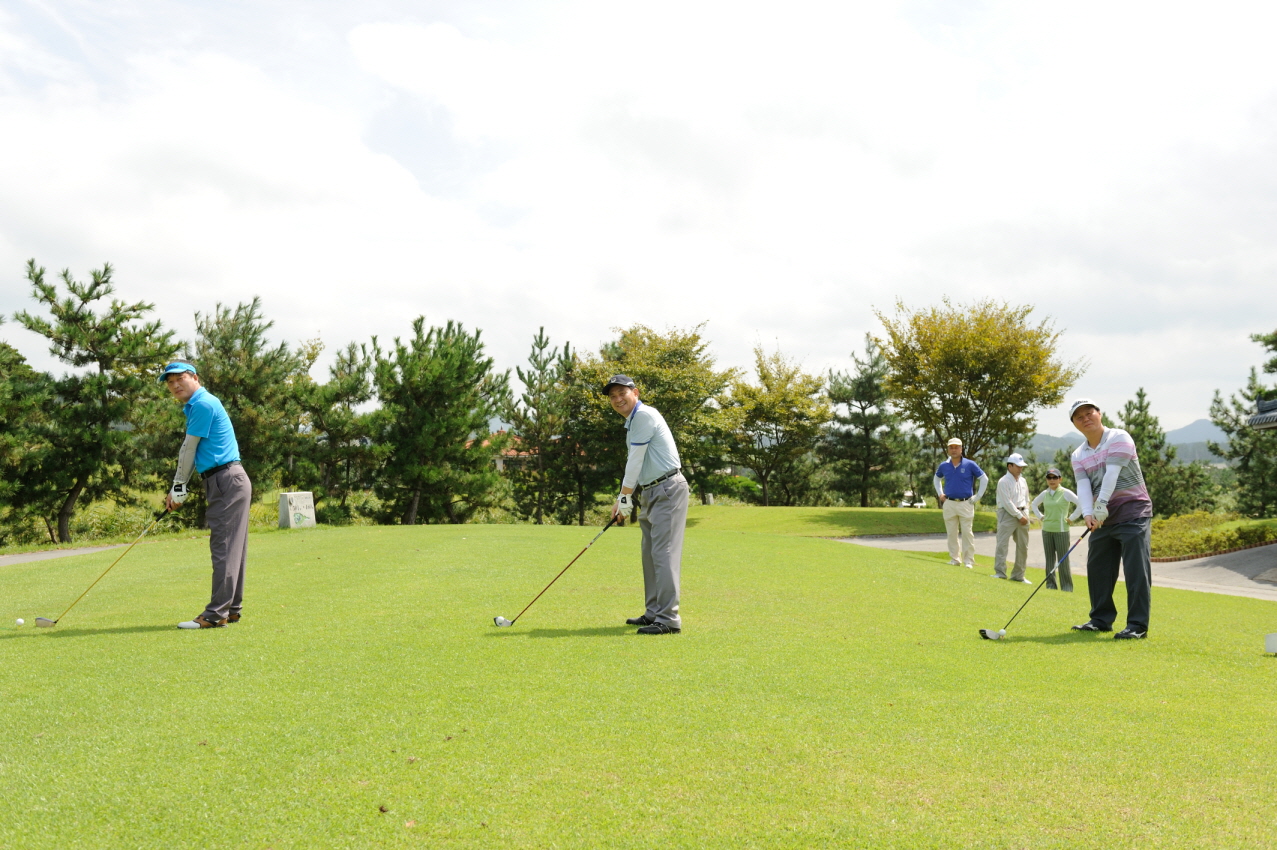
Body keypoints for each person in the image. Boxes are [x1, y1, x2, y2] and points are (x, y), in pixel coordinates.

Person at [160, 361, 252, 630]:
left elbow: (188, 449)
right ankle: (231, 609)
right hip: (229, 479)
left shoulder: (202, 404)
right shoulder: (201, 403)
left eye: (180, 379)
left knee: (224, 547)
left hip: (225, 479)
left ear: (194, 378)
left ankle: (215, 614)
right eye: (169, 382)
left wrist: (178, 486)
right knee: (233, 547)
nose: (174, 385)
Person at [605, 374, 688, 635]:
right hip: (651, 491)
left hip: (668, 489)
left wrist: (624, 497)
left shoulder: (643, 416)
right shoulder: (632, 423)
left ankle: (669, 619)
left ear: (635, 393)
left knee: (663, 555)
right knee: (650, 554)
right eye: (612, 396)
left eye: (622, 393)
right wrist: (626, 496)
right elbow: (636, 464)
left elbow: (635, 461)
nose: (617, 399)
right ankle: (654, 612)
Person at [1067, 399, 1153, 640]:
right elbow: (1083, 486)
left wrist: (1101, 504)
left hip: (1132, 511)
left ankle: (1137, 625)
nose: (1086, 418)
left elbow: (1111, 474)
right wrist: (1087, 513)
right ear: (1074, 423)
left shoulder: (1119, 437)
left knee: (1136, 570)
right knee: (1098, 568)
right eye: (1079, 416)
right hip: (1102, 518)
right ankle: (1100, 620)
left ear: (1099, 414)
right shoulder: (1078, 454)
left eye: (1089, 412)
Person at [933, 437, 988, 569]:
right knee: (951, 533)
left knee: (967, 533)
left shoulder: (970, 464)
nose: (954, 450)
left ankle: (968, 561)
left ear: (961, 449)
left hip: (966, 503)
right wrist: (940, 493)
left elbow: (984, 478)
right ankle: (955, 559)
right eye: (951, 447)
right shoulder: (944, 465)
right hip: (949, 502)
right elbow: (936, 478)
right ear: (948, 449)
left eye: (956, 447)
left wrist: (978, 496)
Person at [1031, 467, 1083, 591]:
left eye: (1055, 477)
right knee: (1049, 560)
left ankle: (1066, 587)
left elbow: (1080, 504)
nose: (1052, 480)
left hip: (1061, 531)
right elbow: (1034, 504)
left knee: (1063, 560)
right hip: (1047, 530)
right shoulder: (1045, 494)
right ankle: (1050, 586)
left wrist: (1072, 518)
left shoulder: (1066, 492)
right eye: (1049, 477)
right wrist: (1040, 517)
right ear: (1046, 479)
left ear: (1060, 479)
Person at [993, 453, 1032, 583]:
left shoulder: (1023, 480)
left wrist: (1026, 513)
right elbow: (1007, 502)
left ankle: (1018, 575)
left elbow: (1026, 499)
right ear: (1010, 466)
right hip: (1007, 514)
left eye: (1022, 466)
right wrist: (1019, 515)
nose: (1020, 469)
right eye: (1018, 466)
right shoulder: (1003, 481)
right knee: (1002, 544)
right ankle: (1000, 572)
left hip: (1022, 514)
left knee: (1023, 546)